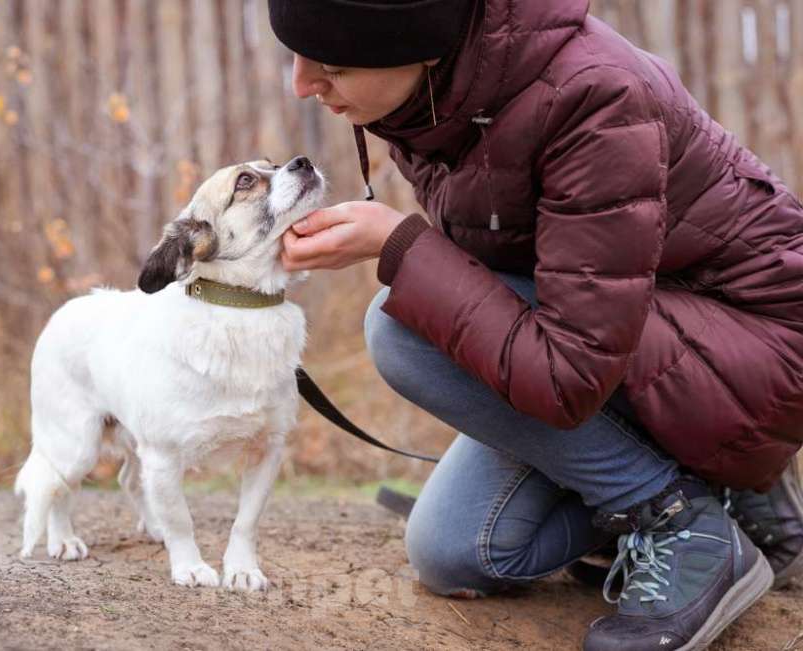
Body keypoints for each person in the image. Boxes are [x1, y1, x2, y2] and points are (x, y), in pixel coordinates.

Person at [267, 1, 803, 650]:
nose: (301, 84)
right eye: (296, 55)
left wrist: (400, 248)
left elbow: (568, 374)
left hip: (758, 354)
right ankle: (737, 494)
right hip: (621, 337)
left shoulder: (592, 98)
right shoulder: (431, 98)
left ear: (422, 48)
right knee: (455, 549)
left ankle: (682, 523)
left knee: (399, 326)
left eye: (332, 65)